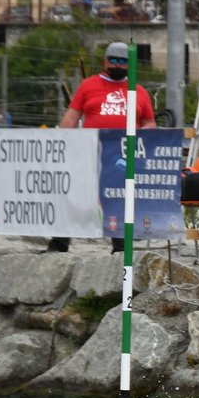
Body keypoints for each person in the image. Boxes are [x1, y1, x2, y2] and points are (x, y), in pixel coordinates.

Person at [49, 40, 156, 253]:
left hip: (121, 154)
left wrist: (149, 137)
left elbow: (148, 121)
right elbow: (71, 118)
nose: (117, 65)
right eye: (113, 60)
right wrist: (59, 142)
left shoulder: (139, 91)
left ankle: (121, 247)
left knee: (118, 198)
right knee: (73, 194)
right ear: (104, 61)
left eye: (123, 61)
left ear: (130, 64)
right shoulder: (88, 85)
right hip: (89, 151)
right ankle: (59, 243)